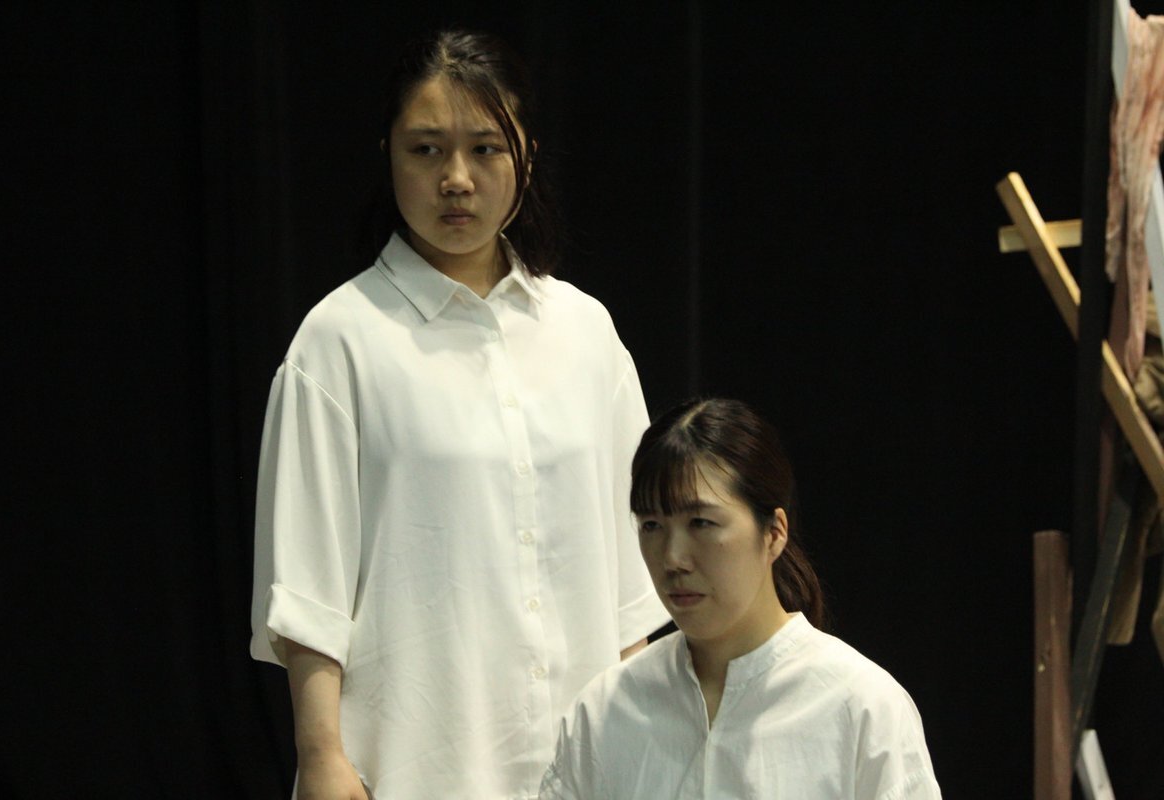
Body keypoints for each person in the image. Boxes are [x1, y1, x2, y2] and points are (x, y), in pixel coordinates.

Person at [249, 28, 668, 800]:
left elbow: (629, 586)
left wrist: (643, 753)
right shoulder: (339, 340)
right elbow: (306, 586)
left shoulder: (585, 333)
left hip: (588, 766)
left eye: (485, 149)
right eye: (427, 150)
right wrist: (321, 755)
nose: (457, 179)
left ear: (527, 156)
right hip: (415, 766)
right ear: (387, 154)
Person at [540, 398, 942, 799]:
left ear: (774, 532)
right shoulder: (605, 711)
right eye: (651, 525)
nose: (673, 558)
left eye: (701, 522)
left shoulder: (861, 707)